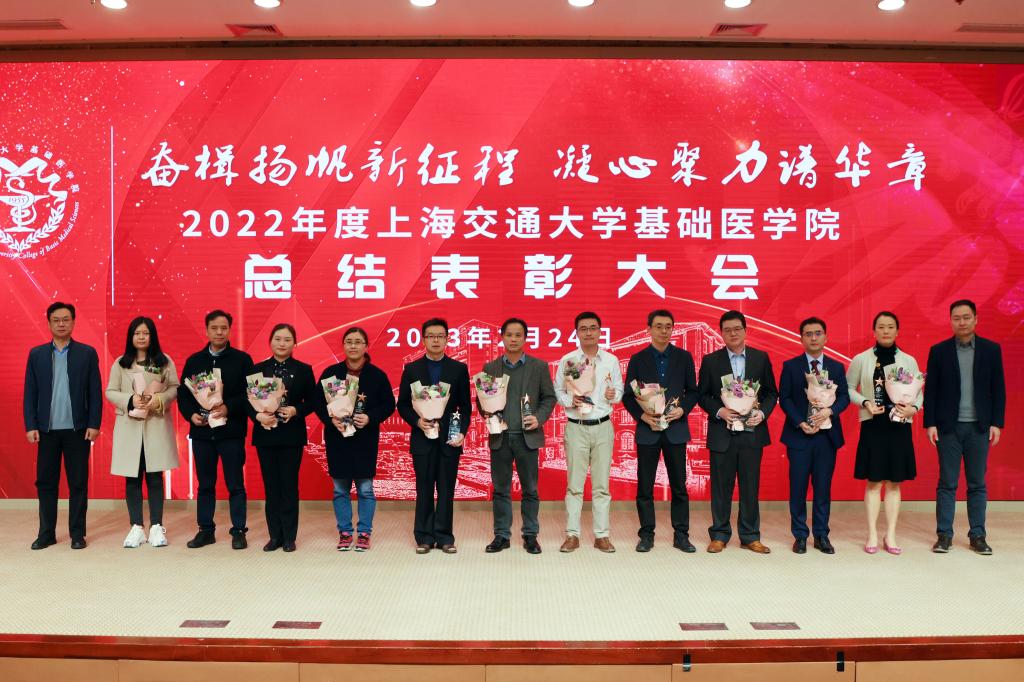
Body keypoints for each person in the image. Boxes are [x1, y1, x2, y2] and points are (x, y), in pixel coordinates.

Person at [924, 300, 1006, 555]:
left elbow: (998, 389)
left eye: (966, 317)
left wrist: (997, 423)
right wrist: (930, 423)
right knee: (947, 482)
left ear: (976, 319)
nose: (962, 322)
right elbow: (931, 391)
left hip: (979, 428)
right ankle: (944, 535)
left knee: (977, 483)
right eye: (957, 318)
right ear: (951, 321)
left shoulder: (991, 350)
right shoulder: (939, 351)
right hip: (948, 428)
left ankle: (978, 535)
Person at [697, 310, 778, 554]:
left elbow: (771, 393)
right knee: (721, 488)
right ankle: (719, 535)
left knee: (750, 487)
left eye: (737, 329)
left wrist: (761, 413)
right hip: (722, 433)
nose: (733, 333)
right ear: (721, 333)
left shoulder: (760, 358)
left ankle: (750, 536)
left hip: (752, 432)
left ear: (745, 330)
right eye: (727, 330)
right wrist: (719, 411)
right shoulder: (711, 360)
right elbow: (702, 395)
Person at [23, 302, 102, 550]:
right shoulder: (36, 355)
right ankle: (46, 533)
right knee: (46, 483)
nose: (61, 324)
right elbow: (30, 393)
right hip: (46, 431)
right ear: (49, 323)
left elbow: (95, 392)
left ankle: (77, 534)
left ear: (73, 322)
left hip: (78, 429)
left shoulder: (87, 353)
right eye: (56, 320)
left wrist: (94, 423)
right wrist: (30, 424)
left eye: (66, 319)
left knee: (78, 483)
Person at [621, 309, 699, 553]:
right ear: (649, 329)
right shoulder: (637, 359)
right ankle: (646, 535)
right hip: (649, 430)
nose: (664, 331)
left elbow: (693, 391)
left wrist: (683, 410)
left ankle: (681, 535)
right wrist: (642, 416)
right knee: (645, 487)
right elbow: (628, 396)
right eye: (658, 326)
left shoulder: (684, 357)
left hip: (676, 429)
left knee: (679, 487)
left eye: (668, 326)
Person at [177, 310, 255, 550]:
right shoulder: (195, 361)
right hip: (202, 433)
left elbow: (251, 394)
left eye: (223, 328)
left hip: (231, 432)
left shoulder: (242, 360)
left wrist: (228, 407)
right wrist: (191, 415)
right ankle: (205, 530)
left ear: (229, 330)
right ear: (207, 330)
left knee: (235, 484)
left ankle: (238, 530)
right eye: (214, 328)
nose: (219, 332)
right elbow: (183, 394)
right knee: (205, 484)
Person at [479, 318, 557, 555]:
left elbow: (549, 397)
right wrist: (488, 413)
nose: (513, 339)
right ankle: (501, 535)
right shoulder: (490, 368)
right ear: (502, 337)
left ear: (525, 338)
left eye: (518, 335)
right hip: (500, 437)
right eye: (509, 335)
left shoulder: (539, 367)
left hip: (527, 437)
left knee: (530, 490)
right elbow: (481, 400)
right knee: (501, 489)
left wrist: (539, 418)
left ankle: (530, 535)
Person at [314, 327, 395, 552]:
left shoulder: (377, 375)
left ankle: (365, 532)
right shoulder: (331, 373)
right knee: (340, 489)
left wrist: (370, 417)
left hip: (365, 439)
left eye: (358, 342)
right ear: (343, 345)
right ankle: (345, 532)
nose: (353, 346)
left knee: (365, 489)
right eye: (349, 341)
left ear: (366, 346)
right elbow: (317, 402)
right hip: (338, 439)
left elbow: (389, 404)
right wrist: (330, 420)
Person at [846, 311, 921, 555]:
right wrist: (865, 402)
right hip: (873, 424)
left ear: (897, 331)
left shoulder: (908, 360)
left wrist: (913, 408)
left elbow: (919, 391)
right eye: (881, 326)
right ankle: (872, 534)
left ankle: (891, 534)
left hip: (899, 425)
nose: (886, 331)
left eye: (890, 326)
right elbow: (848, 388)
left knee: (894, 482)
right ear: (874, 330)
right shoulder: (861, 359)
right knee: (874, 481)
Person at [396, 318, 472, 554]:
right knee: (424, 489)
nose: (436, 340)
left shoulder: (458, 369)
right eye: (431, 336)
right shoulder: (412, 369)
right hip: (422, 438)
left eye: (440, 336)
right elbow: (403, 404)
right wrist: (417, 421)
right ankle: (424, 537)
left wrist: (461, 432)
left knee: (447, 490)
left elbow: (465, 406)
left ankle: (445, 536)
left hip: (449, 439)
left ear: (447, 339)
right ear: (423, 339)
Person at [105, 317, 180, 548]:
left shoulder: (164, 361)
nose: (141, 337)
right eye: (137, 333)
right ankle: (136, 526)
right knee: (133, 478)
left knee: (155, 477)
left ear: (152, 336)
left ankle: (156, 526)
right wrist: (130, 400)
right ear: (131, 337)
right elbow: (110, 391)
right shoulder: (121, 363)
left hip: (155, 425)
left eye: (145, 333)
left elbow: (174, 388)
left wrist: (158, 399)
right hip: (129, 428)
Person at [777, 317, 850, 555]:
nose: (813, 338)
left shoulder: (837, 367)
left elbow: (844, 397)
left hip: (826, 437)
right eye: (808, 334)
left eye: (818, 333)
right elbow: (784, 398)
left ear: (826, 337)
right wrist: (800, 422)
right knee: (798, 488)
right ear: (801, 339)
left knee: (823, 488)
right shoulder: (791, 366)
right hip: (799, 436)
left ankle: (821, 535)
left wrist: (830, 411)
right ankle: (800, 535)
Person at [554, 311, 624, 553]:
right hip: (577, 426)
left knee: (602, 485)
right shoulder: (568, 360)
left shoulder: (610, 360)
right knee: (574, 484)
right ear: (576, 333)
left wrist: (614, 395)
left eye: (593, 328)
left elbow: (620, 390)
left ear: (600, 331)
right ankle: (572, 535)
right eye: (583, 329)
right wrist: (570, 401)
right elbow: (558, 391)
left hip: (603, 426)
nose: (588, 332)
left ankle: (601, 535)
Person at [247, 323, 315, 553]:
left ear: (295, 343)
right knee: (271, 487)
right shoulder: (258, 370)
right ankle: (274, 536)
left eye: (287, 339)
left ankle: (289, 537)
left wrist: (296, 410)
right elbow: (246, 401)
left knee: (289, 486)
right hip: (265, 434)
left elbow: (313, 401)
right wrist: (257, 416)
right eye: (278, 339)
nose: (282, 343)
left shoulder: (304, 370)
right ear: (270, 342)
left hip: (291, 435)